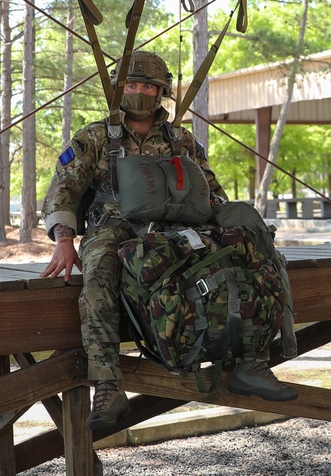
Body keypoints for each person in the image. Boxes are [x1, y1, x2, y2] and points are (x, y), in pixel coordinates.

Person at [41, 50, 295, 431]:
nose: (138, 92)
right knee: (97, 283)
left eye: (147, 85)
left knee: (240, 260)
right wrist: (64, 239)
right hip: (114, 227)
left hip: (175, 231)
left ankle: (251, 363)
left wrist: (242, 229)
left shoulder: (181, 140)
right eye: (130, 84)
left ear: (160, 92)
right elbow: (63, 189)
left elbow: (211, 193)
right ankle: (108, 385)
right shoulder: (94, 136)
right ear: (117, 89)